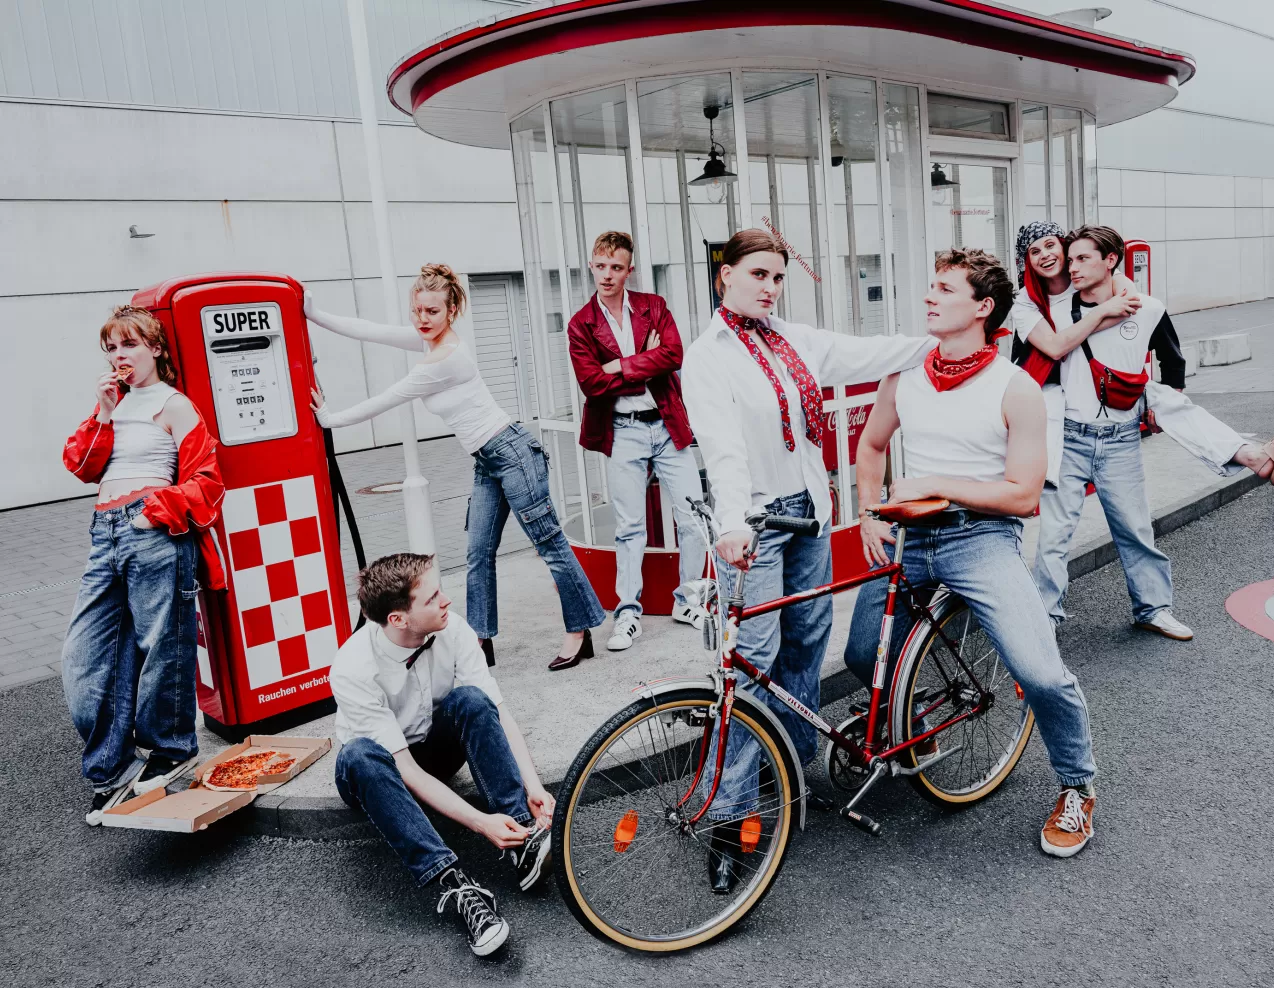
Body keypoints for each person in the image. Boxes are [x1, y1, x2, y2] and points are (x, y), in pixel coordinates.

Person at [682, 229, 935, 892]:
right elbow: (722, 448)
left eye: (778, 276)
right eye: (758, 274)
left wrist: (951, 341)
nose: (769, 287)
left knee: (806, 646)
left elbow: (868, 353)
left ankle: (790, 775)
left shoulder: (795, 339)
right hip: (755, 523)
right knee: (751, 665)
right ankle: (728, 815)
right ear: (724, 277)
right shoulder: (707, 357)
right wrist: (733, 522)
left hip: (810, 514)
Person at [844, 248, 1099, 859]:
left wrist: (939, 486)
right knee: (862, 656)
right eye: (931, 287)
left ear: (983, 308)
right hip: (908, 535)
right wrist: (866, 513)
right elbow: (872, 446)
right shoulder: (905, 374)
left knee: (1038, 672)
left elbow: (1023, 494)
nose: (929, 297)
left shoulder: (1016, 387)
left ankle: (1077, 786)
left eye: (944, 289)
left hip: (980, 535)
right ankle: (919, 731)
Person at [305, 264, 605, 671]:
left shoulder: (444, 359)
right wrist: (314, 314)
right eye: (418, 311)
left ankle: (579, 631)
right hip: (487, 460)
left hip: (512, 453)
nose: (422, 319)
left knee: (550, 546)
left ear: (451, 311)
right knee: (477, 551)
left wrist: (331, 419)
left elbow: (390, 397)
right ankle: (479, 643)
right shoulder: (429, 343)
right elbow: (370, 329)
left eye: (432, 312)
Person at [1024, 226, 1274, 636]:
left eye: (1082, 258)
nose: (1072, 266)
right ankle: (1044, 619)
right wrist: (1104, 310)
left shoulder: (1147, 307)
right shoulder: (1054, 310)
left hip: (1120, 438)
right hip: (1068, 436)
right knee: (1053, 538)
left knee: (1135, 530)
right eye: (1071, 259)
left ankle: (1153, 609)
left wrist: (1165, 396)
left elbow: (1171, 356)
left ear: (1110, 261)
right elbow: (1046, 352)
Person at [330, 553, 554, 957]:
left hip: (435, 747)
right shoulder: (352, 667)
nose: (446, 601)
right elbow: (407, 772)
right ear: (398, 619)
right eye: (432, 598)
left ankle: (521, 838)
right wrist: (480, 822)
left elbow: (498, 712)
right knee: (360, 755)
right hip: (382, 774)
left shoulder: (453, 629)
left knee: (473, 699)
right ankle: (457, 886)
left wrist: (532, 785)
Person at [61, 304, 226, 825]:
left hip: (150, 527)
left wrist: (155, 511)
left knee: (163, 645)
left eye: (129, 344)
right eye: (111, 347)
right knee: (84, 655)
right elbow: (82, 467)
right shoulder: (111, 407)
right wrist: (105, 412)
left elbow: (208, 480)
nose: (119, 355)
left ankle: (170, 746)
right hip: (103, 535)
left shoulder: (175, 404)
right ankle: (114, 764)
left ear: (155, 349)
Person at [1009, 220, 1274, 493]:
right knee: (1051, 431)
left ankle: (1253, 457)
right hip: (1047, 383)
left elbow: (1161, 339)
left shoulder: (1094, 283)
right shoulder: (1028, 301)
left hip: (1100, 378)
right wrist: (1107, 311)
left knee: (1168, 401)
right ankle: (1039, 482)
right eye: (1034, 251)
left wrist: (1171, 384)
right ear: (1027, 261)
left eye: (1051, 246)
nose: (1045, 255)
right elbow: (1054, 346)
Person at [567, 231, 710, 652]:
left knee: (693, 518)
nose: (607, 275)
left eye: (616, 267)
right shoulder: (581, 324)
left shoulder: (653, 306)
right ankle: (627, 614)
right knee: (630, 528)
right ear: (591, 265)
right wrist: (644, 363)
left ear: (629, 270)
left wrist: (621, 365)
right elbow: (592, 383)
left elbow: (674, 354)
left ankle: (688, 600)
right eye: (600, 265)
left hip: (666, 424)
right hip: (624, 429)